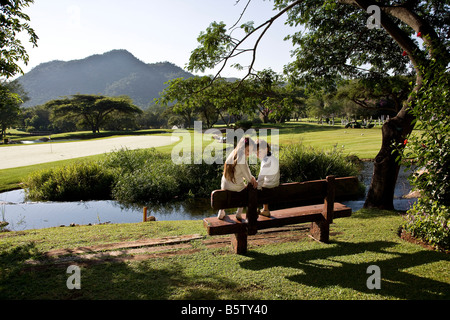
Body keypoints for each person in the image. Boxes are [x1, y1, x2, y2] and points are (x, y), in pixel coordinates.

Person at [217, 137, 257, 220]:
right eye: (248, 150)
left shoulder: (233, 152)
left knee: (242, 184)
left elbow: (239, 172)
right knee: (248, 188)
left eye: (251, 151)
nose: (249, 153)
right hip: (235, 187)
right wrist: (253, 179)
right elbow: (248, 177)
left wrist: (249, 177)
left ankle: (221, 211)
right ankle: (239, 213)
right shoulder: (242, 158)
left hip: (224, 185)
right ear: (242, 147)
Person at [256, 139, 280, 217]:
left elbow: (261, 178)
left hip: (269, 187)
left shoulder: (265, 161)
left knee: (255, 188)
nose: (257, 154)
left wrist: (257, 188)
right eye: (256, 152)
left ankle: (256, 209)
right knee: (264, 184)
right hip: (276, 184)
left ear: (266, 149)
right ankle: (265, 209)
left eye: (259, 152)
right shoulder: (273, 158)